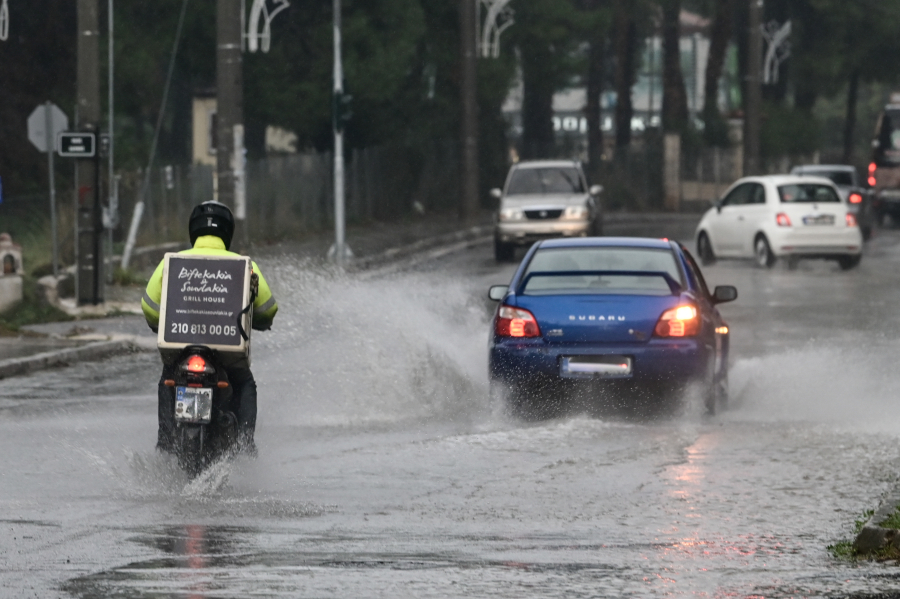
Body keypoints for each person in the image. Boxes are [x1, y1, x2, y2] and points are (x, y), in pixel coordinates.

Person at [141, 201, 278, 455]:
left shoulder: (171, 262)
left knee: (167, 379)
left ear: (193, 230)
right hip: (227, 352)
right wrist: (260, 322)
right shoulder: (245, 265)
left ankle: (166, 440)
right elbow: (267, 309)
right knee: (245, 382)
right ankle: (246, 444)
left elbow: (149, 306)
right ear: (228, 232)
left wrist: (157, 323)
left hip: (181, 349)